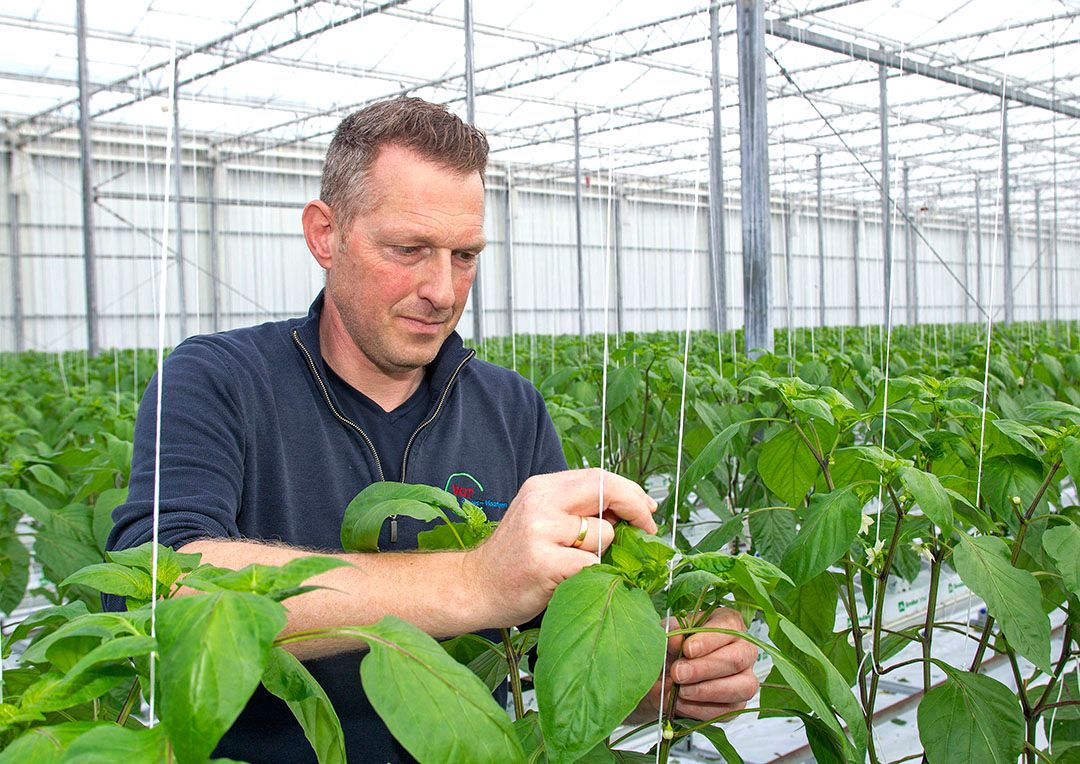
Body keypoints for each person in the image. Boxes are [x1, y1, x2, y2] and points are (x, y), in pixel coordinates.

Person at [107, 97, 758, 762]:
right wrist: (476, 581)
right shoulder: (221, 380)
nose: (443, 290)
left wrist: (663, 667)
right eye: (410, 248)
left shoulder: (511, 408)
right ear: (325, 235)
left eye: (465, 255)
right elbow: (163, 587)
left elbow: (550, 635)